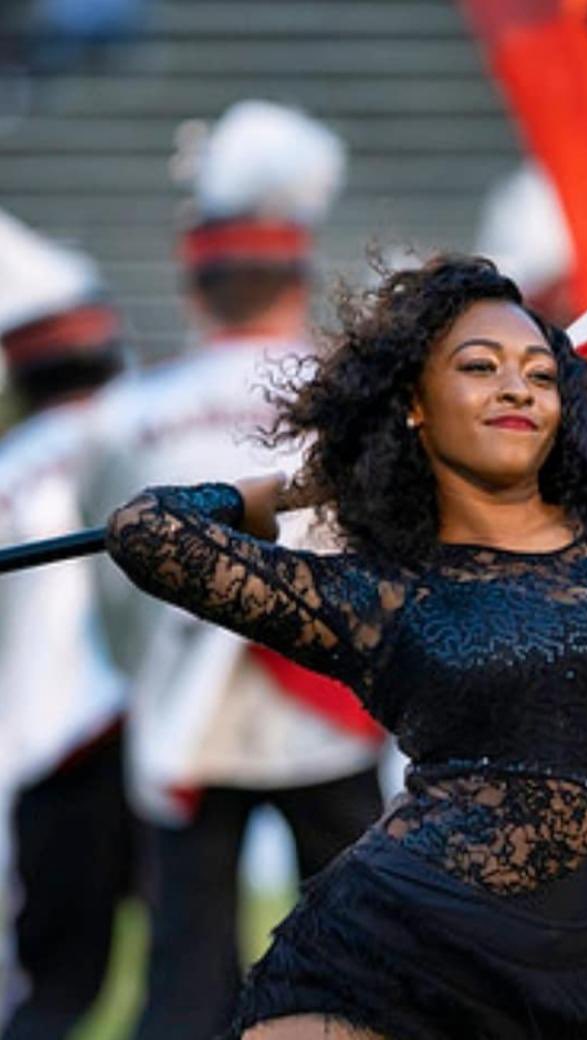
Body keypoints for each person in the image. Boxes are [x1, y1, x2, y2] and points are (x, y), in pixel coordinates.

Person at [104, 253, 587, 1040]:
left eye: (540, 376)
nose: (516, 388)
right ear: (413, 405)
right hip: (382, 962)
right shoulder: (381, 592)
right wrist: (284, 490)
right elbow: (145, 532)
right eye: (479, 367)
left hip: (574, 995)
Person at [83, 101, 385, 1040]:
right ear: (299, 273)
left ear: (197, 288)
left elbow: (113, 578)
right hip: (334, 701)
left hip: (185, 721)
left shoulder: (127, 412)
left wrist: (154, 671)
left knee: (184, 970)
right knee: (369, 960)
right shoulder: (357, 402)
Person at [0, 210, 133, 1038]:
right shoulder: (150, 428)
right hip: (177, 737)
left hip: (49, 744)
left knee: (56, 986)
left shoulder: (12, 469)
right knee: (205, 973)